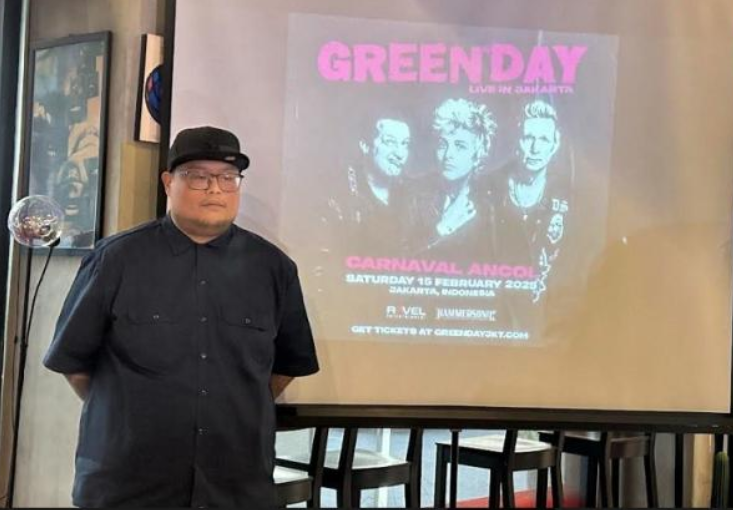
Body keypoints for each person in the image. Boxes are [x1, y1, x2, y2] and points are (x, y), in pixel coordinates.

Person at [43, 126, 319, 507]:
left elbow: (286, 366)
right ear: (168, 183)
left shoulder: (273, 268)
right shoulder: (115, 261)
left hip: (235, 487)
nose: (215, 189)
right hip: (127, 487)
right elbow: (74, 363)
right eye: (198, 176)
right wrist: (128, 414)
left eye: (228, 177)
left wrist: (230, 405)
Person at [492, 100, 571, 303]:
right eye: (528, 138)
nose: (535, 148)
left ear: (555, 144)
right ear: (517, 141)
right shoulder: (489, 189)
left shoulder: (568, 195)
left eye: (544, 139)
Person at [412, 98, 497, 258]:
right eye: (443, 145)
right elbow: (398, 259)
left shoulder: (489, 206)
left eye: (460, 146)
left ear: (477, 155)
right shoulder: (413, 193)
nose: (448, 155)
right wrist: (442, 228)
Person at [337, 116, 412, 254]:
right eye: (390, 142)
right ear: (365, 145)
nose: (400, 154)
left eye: (405, 144)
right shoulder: (338, 194)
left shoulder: (413, 193)